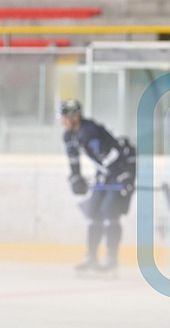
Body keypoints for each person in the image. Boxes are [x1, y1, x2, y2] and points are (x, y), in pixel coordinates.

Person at [58, 100, 135, 275]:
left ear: (75, 117)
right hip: (108, 169)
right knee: (93, 210)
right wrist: (75, 176)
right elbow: (74, 159)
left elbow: (113, 157)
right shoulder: (69, 135)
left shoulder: (88, 132)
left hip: (122, 166)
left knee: (109, 209)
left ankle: (111, 259)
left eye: (65, 117)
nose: (62, 121)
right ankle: (92, 257)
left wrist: (125, 177)